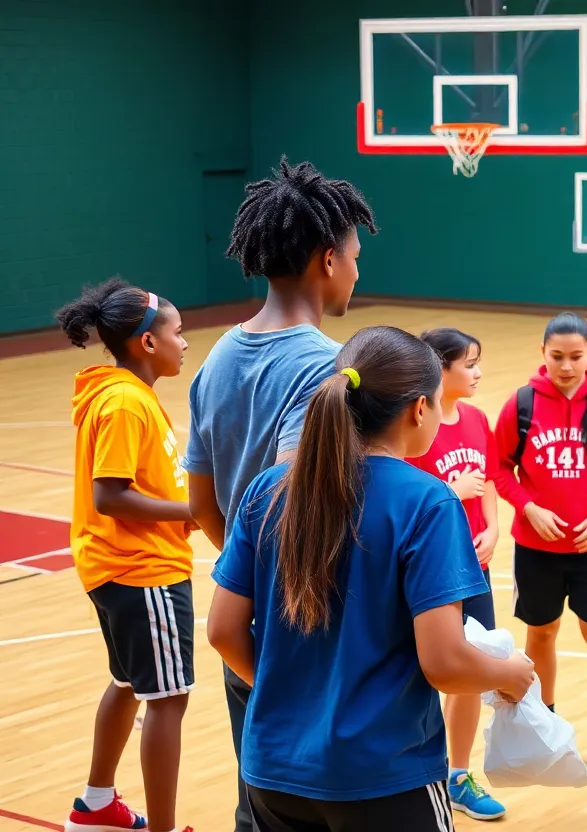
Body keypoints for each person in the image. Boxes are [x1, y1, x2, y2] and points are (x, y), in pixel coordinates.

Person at [206, 326, 537, 832]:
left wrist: (288, 696)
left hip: (272, 774)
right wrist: (509, 674)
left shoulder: (267, 490)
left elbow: (223, 632)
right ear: (419, 410)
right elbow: (445, 663)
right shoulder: (427, 502)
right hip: (382, 777)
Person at [182, 156, 377, 832]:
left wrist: (248, 573)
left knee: (260, 804)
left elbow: (205, 510)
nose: (357, 270)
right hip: (311, 624)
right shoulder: (325, 366)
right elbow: (295, 502)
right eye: (353, 256)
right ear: (327, 259)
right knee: (335, 808)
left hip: (250, 611)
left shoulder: (213, 362)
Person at [55, 278, 195, 832]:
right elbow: (109, 494)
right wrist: (191, 512)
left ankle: (95, 804)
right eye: (177, 332)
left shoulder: (130, 396)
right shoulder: (124, 404)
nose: (185, 342)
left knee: (132, 683)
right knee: (170, 699)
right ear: (147, 343)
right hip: (141, 571)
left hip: (120, 567)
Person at [491, 311, 587, 781]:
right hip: (536, 548)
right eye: (557, 356)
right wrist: (527, 507)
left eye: (576, 356)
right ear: (543, 355)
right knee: (542, 635)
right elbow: (499, 468)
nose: (566, 366)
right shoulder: (521, 404)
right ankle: (548, 723)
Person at [407, 327, 506, 820]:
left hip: (474, 565)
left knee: (470, 671)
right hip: (428, 568)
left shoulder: (477, 419)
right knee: (420, 668)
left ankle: (460, 774)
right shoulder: (415, 424)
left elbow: (486, 482)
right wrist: (452, 485)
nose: (477, 372)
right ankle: (412, 769)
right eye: (469, 364)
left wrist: (493, 527)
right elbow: (401, 490)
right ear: (440, 370)